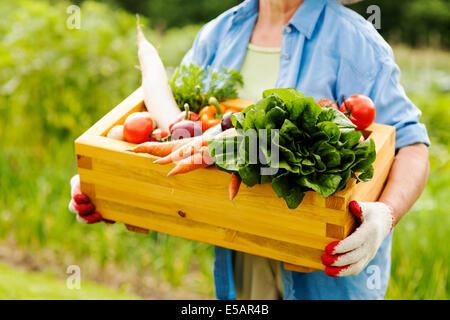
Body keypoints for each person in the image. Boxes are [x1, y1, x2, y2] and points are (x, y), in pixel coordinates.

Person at [69, 0, 430, 300]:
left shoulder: (355, 41)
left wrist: (384, 216)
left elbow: (412, 147)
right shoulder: (219, 34)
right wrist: (106, 181)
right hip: (240, 262)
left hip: (326, 276)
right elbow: (176, 131)